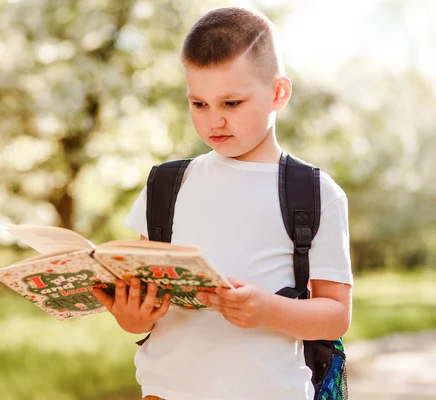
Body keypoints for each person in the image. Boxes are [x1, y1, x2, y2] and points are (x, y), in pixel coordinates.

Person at [92, 6, 353, 400]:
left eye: (231, 104)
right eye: (199, 104)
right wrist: (129, 316)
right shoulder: (167, 184)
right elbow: (141, 304)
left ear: (278, 93)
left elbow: (336, 316)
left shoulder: (315, 193)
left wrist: (268, 311)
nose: (214, 121)